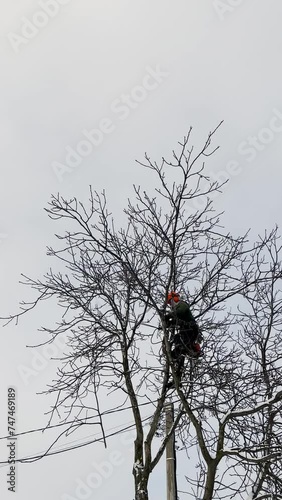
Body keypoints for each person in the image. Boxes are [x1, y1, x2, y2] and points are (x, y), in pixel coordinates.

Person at [164, 291, 201, 382]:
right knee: (179, 342)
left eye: (170, 301)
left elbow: (180, 312)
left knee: (181, 344)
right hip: (185, 331)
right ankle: (177, 372)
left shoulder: (182, 305)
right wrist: (168, 323)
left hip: (191, 330)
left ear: (174, 298)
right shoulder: (176, 309)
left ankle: (175, 355)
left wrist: (168, 316)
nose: (170, 304)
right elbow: (176, 320)